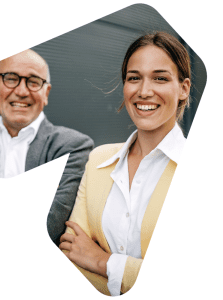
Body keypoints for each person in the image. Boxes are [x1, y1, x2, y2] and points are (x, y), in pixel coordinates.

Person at [59, 32, 191, 295]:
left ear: (183, 89)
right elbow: (71, 251)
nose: (144, 91)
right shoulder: (98, 160)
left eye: (160, 78)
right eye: (134, 78)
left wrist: (102, 261)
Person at [0, 49, 94, 245]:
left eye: (33, 82)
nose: (22, 92)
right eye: (11, 78)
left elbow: (50, 226)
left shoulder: (72, 146)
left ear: (45, 92)